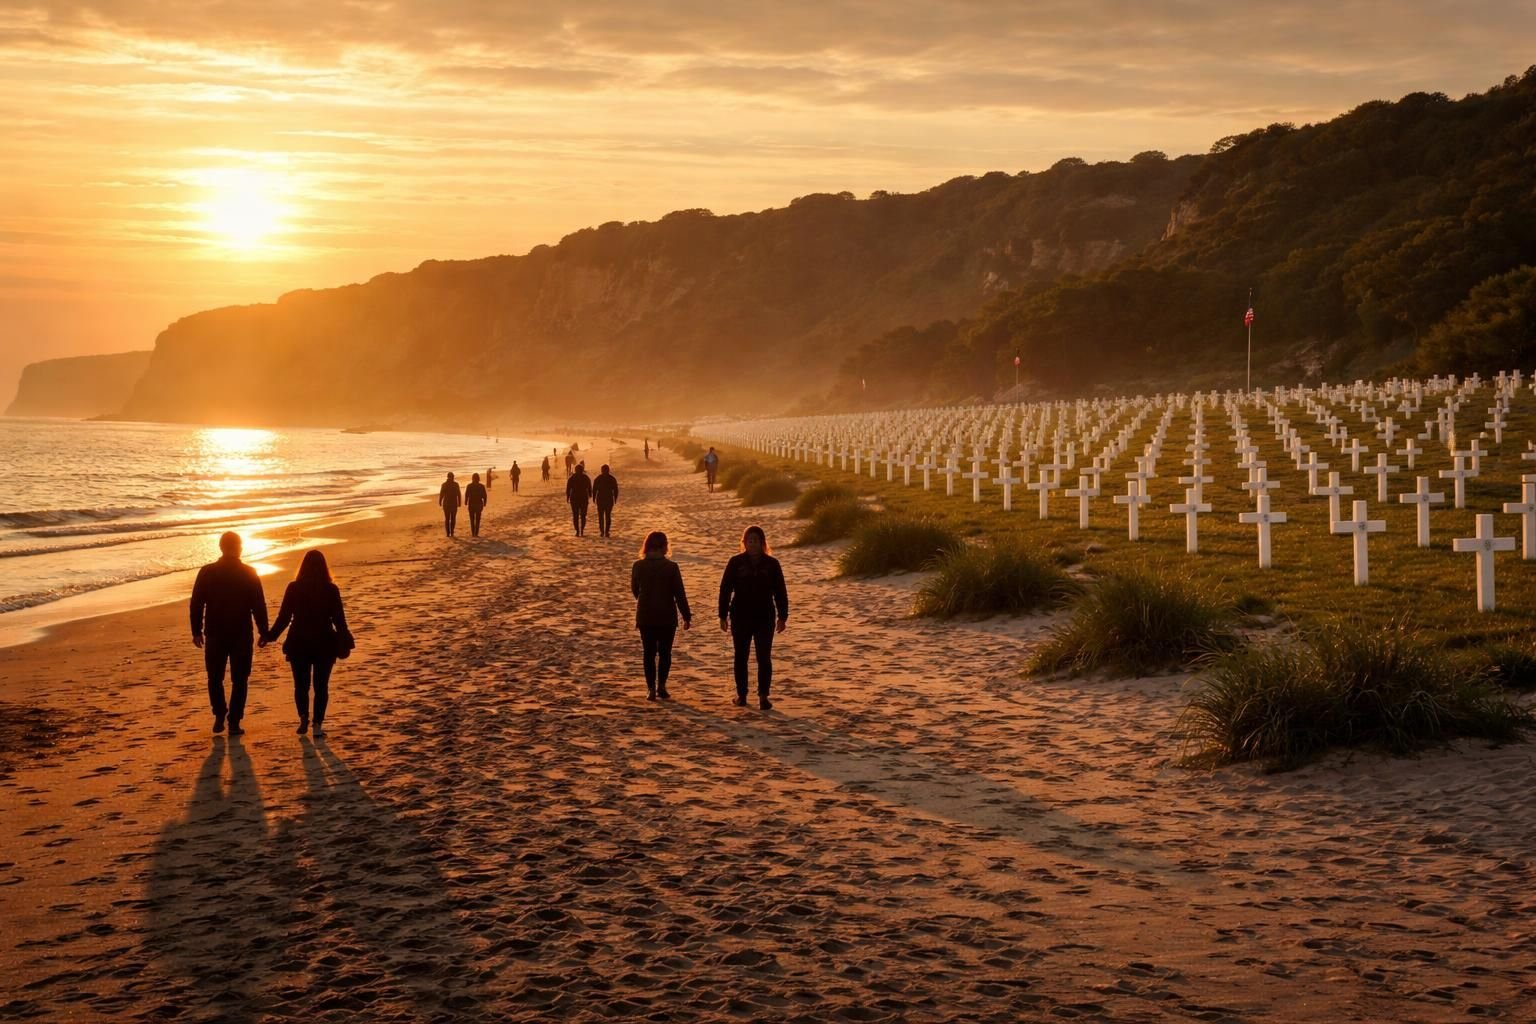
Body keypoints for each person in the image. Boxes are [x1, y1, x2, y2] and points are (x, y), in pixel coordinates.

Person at [189, 531, 270, 736]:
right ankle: (234, 721)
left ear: (221, 547)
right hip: (241, 632)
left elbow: (196, 603)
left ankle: (219, 714)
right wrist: (264, 631)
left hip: (215, 632)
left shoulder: (207, 572)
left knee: (214, 677)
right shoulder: (249, 572)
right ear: (239, 547)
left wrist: (196, 630)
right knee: (240, 679)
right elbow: (258, 605)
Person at [266, 550, 351, 738]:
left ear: (302, 567)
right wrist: (345, 639)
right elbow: (339, 620)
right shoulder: (331, 589)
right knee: (321, 686)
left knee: (301, 685)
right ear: (323, 567)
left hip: (299, 642)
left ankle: (303, 717)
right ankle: (318, 724)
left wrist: (270, 636)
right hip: (324, 642)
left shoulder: (293, 588)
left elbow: (284, 618)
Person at [718, 525, 788, 710]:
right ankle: (742, 695)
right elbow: (725, 589)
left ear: (762, 543)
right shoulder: (735, 562)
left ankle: (763, 696)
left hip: (764, 615)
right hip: (740, 615)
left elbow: (780, 591)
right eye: (749, 541)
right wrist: (722, 615)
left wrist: (783, 616)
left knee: (763, 657)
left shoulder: (772, 564)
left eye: (756, 541)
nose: (753, 544)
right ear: (744, 543)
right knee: (741, 656)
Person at [631, 531, 691, 700]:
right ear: (665, 547)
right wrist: (686, 616)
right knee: (665, 653)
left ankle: (650, 688)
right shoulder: (671, 567)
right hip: (666, 617)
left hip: (645, 615)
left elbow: (635, 591)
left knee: (648, 653)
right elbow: (679, 594)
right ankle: (661, 686)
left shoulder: (638, 566)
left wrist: (645, 598)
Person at [565, 463, 592, 536]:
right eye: (578, 470)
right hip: (577, 499)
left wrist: (590, 494)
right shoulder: (582, 478)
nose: (578, 471)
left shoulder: (578, 478)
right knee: (577, 516)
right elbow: (568, 488)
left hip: (580, 499)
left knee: (581, 515)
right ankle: (578, 530)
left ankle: (581, 530)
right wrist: (567, 497)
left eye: (579, 470)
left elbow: (589, 487)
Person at [592, 464, 619, 538]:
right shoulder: (599, 479)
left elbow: (615, 490)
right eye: (604, 470)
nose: (605, 472)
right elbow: (594, 489)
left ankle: (606, 531)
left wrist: (615, 498)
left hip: (608, 500)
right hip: (601, 500)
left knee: (607, 516)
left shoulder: (611, 479)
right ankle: (602, 531)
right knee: (601, 516)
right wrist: (594, 498)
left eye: (605, 470)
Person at [464, 472, 489, 537]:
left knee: (472, 519)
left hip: (471, 504)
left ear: (472, 478)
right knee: (477, 519)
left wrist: (466, 502)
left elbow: (467, 495)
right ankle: (476, 533)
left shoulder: (469, 486)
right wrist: (484, 503)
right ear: (478, 479)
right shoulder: (481, 486)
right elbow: (485, 496)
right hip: (479, 504)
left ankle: (473, 533)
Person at [438, 472, 462, 537]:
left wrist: (440, 501)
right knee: (451, 518)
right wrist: (459, 502)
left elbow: (441, 494)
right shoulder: (455, 484)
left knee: (448, 518)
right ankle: (450, 532)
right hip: (452, 504)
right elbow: (458, 494)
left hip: (447, 504)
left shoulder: (445, 484)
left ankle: (449, 533)